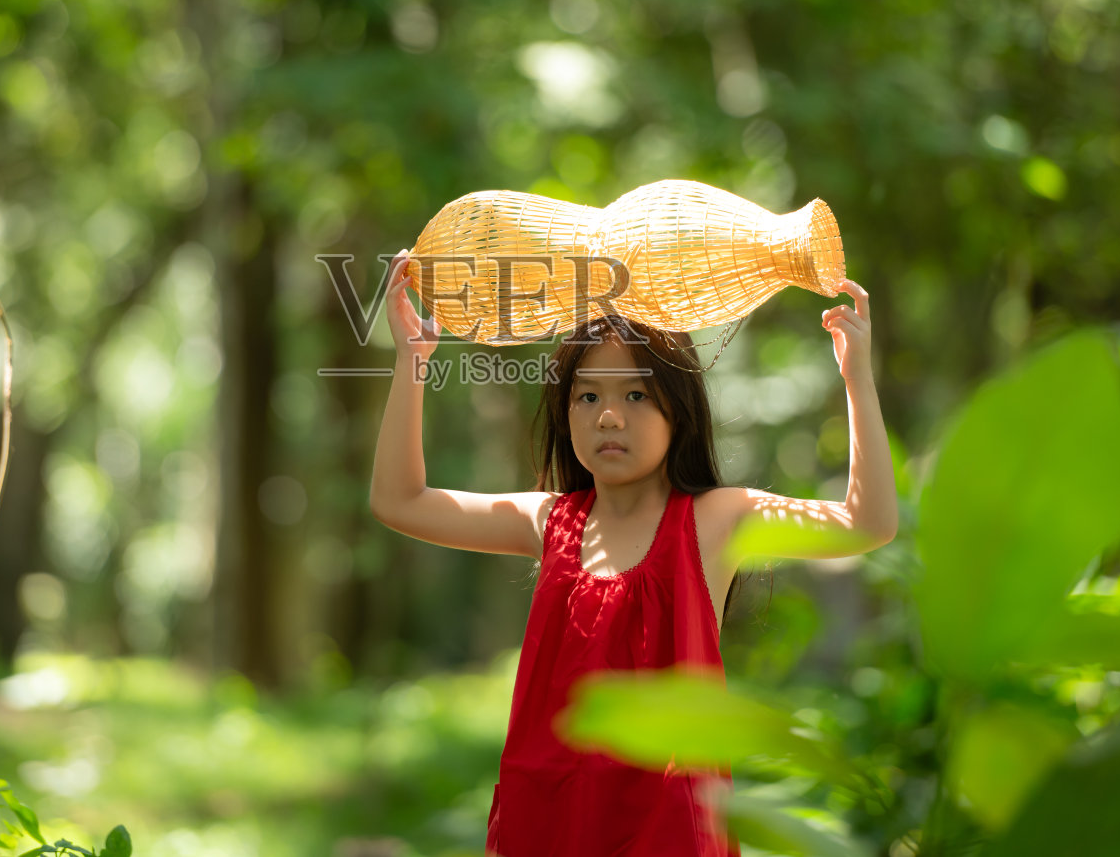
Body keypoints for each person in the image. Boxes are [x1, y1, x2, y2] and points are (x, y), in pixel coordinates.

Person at [369, 247, 897, 856]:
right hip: (547, 823)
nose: (610, 417)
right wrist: (411, 360)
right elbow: (399, 501)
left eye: (637, 396)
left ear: (680, 409)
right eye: (587, 397)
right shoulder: (549, 522)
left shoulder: (716, 519)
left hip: (668, 833)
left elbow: (867, 523)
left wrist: (857, 377)